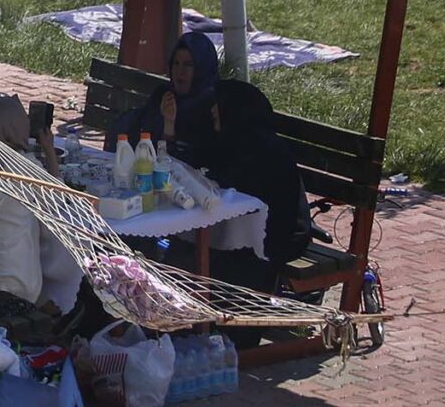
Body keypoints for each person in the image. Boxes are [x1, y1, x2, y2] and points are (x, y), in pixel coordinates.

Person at [0, 95, 84, 313]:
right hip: (13, 286)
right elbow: (61, 200)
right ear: (13, 129)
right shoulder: (22, 166)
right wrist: (49, 152)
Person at [204, 80, 312, 292]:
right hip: (249, 226)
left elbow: (242, 191)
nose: (212, 110)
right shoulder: (235, 138)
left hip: (280, 235)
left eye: (218, 104)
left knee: (217, 256)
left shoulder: (262, 149)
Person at [117, 28, 221, 164]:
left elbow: (196, 162)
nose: (180, 71)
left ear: (202, 69)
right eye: (176, 63)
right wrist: (168, 125)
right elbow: (146, 151)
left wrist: (170, 126)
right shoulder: (163, 96)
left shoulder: (213, 106)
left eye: (188, 65)